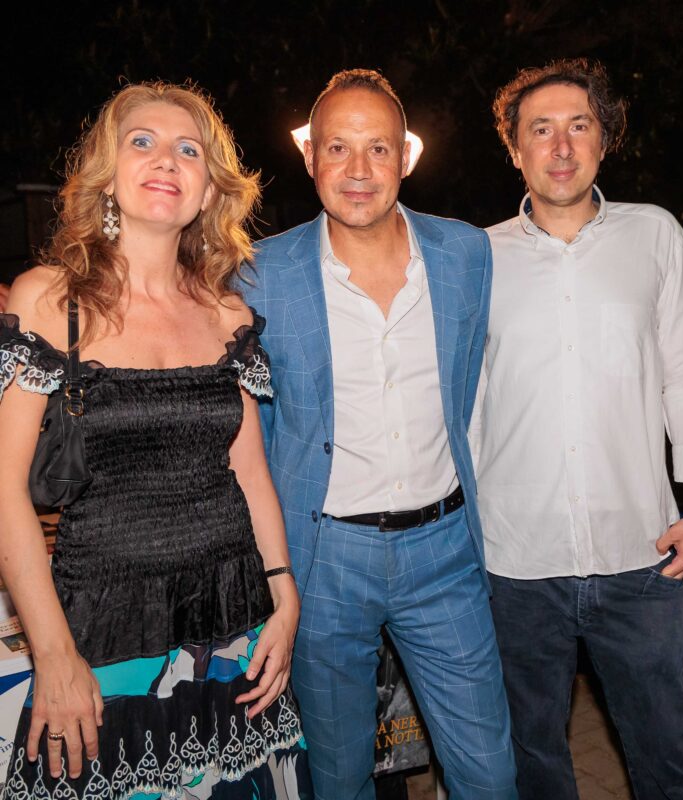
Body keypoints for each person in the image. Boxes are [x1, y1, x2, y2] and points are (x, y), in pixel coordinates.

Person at [0, 82, 312, 800]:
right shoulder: (49, 300)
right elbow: (5, 489)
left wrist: (284, 595)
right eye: (142, 141)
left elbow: (250, 472)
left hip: (235, 626)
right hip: (99, 633)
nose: (166, 159)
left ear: (208, 190)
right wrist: (53, 654)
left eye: (188, 149)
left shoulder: (228, 313)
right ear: (108, 174)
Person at [245, 69, 517, 800]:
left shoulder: (465, 254)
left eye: (378, 148)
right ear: (310, 157)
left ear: (407, 156)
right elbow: (253, 436)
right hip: (325, 560)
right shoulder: (258, 276)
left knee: (490, 774)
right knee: (339, 779)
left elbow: (475, 384)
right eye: (338, 147)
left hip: (445, 552)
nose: (358, 169)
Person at [472, 59, 683, 799]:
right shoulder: (476, 257)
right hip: (514, 562)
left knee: (668, 756)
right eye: (540, 130)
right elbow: (466, 403)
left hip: (641, 554)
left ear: (604, 139)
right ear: (514, 149)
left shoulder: (654, 235)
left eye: (578, 126)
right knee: (531, 763)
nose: (560, 147)